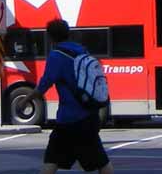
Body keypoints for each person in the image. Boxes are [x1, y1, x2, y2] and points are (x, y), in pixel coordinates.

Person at [17, 19, 114, 174]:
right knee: (102, 162)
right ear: (68, 33)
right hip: (89, 116)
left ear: (50, 37)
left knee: (51, 161)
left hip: (69, 120)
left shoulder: (57, 56)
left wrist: (26, 100)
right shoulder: (82, 51)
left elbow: (44, 84)